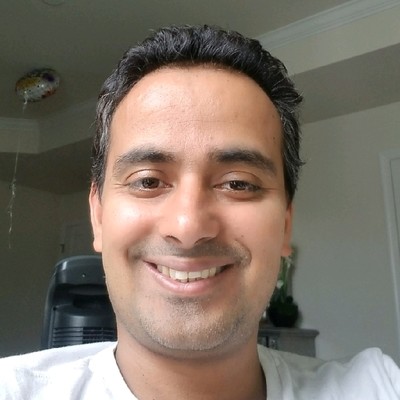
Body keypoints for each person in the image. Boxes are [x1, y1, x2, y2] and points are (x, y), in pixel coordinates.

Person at [0, 25, 399, 400]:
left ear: (285, 225)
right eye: (148, 181)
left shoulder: (376, 386)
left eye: (238, 183)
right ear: (98, 216)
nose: (188, 226)